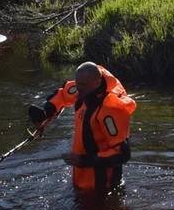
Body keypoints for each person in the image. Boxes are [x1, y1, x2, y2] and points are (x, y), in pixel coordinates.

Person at [28, 63, 137, 200]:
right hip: (81, 175)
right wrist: (45, 114)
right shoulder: (84, 88)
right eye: (78, 84)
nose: (78, 89)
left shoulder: (110, 109)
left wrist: (84, 160)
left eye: (83, 85)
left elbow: (122, 153)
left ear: (97, 82)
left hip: (102, 184)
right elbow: (63, 94)